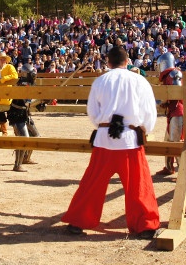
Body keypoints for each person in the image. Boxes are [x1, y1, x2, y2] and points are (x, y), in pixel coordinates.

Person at [62, 46, 160, 239]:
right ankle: (145, 225)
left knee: (93, 182)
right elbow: (149, 112)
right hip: (130, 139)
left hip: (105, 137)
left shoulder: (101, 81)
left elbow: (92, 111)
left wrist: (103, 124)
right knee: (138, 184)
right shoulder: (139, 81)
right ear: (127, 61)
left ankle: (78, 221)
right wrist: (144, 130)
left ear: (108, 62)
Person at [7, 71, 40, 172]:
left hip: (24, 113)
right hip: (16, 114)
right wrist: (40, 101)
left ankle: (25, 158)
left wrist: (41, 103)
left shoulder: (28, 84)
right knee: (23, 139)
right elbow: (27, 103)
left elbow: (30, 103)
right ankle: (17, 165)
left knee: (35, 135)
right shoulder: (22, 85)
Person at [156, 66, 183, 177]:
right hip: (172, 111)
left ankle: (183, 172)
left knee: (175, 143)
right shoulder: (167, 76)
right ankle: (169, 167)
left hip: (178, 111)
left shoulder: (174, 74)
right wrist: (166, 103)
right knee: (167, 142)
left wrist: (164, 100)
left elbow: (177, 92)